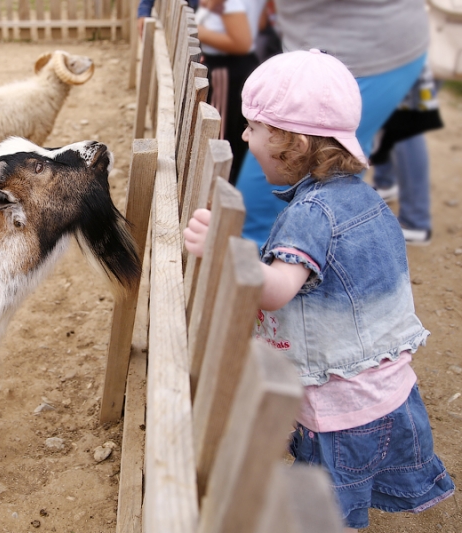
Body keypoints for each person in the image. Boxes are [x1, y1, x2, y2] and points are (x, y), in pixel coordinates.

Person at [183, 49, 455, 531]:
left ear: (291, 142)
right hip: (390, 396)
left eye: (254, 127)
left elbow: (277, 290)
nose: (245, 137)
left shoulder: (310, 215)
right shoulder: (367, 200)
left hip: (338, 410)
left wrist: (223, 250)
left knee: (325, 514)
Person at [199, 0, 432, 248]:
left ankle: (276, 258)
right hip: (337, 48)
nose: (245, 135)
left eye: (252, 127)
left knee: (270, 195)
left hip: (369, 53)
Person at [370, 64, 444, 246]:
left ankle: (415, 221)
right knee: (388, 115)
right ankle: (386, 181)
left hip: (412, 52)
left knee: (406, 126)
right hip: (407, 49)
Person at [195, 0, 266, 185]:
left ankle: (219, 191)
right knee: (235, 137)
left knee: (219, 139)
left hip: (227, 68)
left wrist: (198, 29)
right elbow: (261, 22)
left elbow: (242, 43)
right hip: (240, 66)